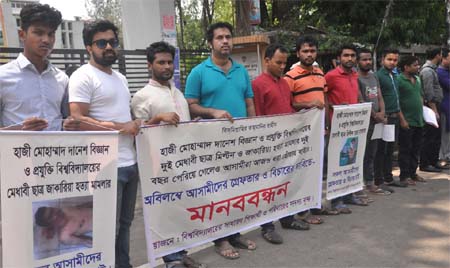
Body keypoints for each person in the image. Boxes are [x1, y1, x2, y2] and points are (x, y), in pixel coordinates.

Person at [68, 20, 140, 268]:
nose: (109, 47)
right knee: (106, 227)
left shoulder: (120, 77)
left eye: (112, 42)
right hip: (105, 166)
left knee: (125, 224)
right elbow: (77, 119)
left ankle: (123, 265)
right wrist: (121, 127)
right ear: (89, 47)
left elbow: (123, 115)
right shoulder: (83, 76)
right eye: (101, 42)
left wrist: (135, 123)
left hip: (130, 161)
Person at [184, 21, 256, 260]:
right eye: (219, 38)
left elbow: (249, 103)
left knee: (238, 188)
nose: (225, 41)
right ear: (210, 43)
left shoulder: (241, 71)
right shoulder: (199, 72)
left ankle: (235, 233)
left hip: (240, 142)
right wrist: (212, 112)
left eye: (228, 37)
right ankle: (220, 238)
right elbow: (191, 106)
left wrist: (255, 129)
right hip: (212, 146)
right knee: (217, 191)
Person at [131, 41, 205, 268]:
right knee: (162, 213)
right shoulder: (142, 96)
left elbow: (178, 127)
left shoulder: (178, 93)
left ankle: (180, 253)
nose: (166, 67)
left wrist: (193, 125)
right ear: (149, 65)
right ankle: (170, 259)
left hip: (182, 164)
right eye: (160, 62)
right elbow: (137, 133)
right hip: (158, 167)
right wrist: (158, 118)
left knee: (180, 210)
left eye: (169, 62)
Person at [252, 43, 310, 245]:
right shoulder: (258, 84)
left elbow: (289, 109)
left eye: (285, 63)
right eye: (278, 62)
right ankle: (267, 227)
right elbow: (257, 116)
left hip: (287, 143)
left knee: (287, 181)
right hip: (269, 145)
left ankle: (287, 218)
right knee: (268, 186)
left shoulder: (285, 83)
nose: (282, 66)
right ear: (266, 61)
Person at [0, 3, 77, 131]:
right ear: (22, 35)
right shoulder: (3, 76)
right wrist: (19, 130)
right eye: (38, 33)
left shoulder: (61, 78)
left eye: (51, 34)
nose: (46, 40)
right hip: (17, 150)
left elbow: (66, 118)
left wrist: (69, 123)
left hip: (56, 149)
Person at [284, 35, 331, 218]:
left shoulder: (320, 73)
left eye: (312, 51)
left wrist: (327, 119)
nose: (309, 54)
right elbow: (288, 104)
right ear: (298, 53)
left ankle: (314, 202)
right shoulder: (290, 77)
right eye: (305, 51)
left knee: (317, 167)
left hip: (320, 129)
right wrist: (308, 104)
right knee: (302, 169)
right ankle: (300, 206)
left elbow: (324, 97)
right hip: (302, 132)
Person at [325, 44, 367, 212]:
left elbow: (356, 96)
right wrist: (333, 108)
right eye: (346, 55)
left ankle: (349, 195)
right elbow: (325, 98)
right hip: (337, 127)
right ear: (339, 58)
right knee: (337, 163)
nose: (349, 59)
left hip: (354, 127)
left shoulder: (355, 75)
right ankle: (336, 200)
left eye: (352, 56)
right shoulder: (331, 76)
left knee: (351, 161)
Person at [356, 48, 390, 195]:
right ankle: (360, 184)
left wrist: (382, 112)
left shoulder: (373, 76)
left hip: (377, 121)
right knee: (361, 153)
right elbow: (360, 99)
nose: (368, 62)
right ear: (358, 61)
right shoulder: (355, 78)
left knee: (372, 152)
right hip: (365, 121)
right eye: (364, 59)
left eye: (369, 59)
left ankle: (370, 183)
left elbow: (379, 96)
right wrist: (374, 115)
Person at [375, 48, 402, 190]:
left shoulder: (394, 75)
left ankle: (388, 177)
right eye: (389, 59)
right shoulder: (379, 75)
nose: (392, 62)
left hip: (394, 117)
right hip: (384, 118)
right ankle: (379, 180)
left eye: (395, 60)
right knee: (381, 150)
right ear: (382, 60)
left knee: (390, 149)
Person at [397, 55, 426, 185]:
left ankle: (413, 173)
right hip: (406, 120)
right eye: (415, 65)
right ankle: (404, 175)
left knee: (416, 148)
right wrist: (402, 119)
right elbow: (396, 101)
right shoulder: (399, 80)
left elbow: (419, 96)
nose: (418, 67)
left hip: (419, 120)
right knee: (405, 149)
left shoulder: (418, 79)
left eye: (418, 64)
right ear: (406, 67)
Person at [419, 48, 445, 172]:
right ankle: (425, 163)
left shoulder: (433, 70)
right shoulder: (428, 71)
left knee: (435, 136)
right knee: (429, 136)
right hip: (430, 107)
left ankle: (433, 161)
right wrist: (434, 110)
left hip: (435, 106)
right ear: (437, 56)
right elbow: (428, 92)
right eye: (440, 54)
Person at [438, 48, 450, 165]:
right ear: (444, 58)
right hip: (445, 107)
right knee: (444, 134)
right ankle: (443, 156)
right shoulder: (440, 72)